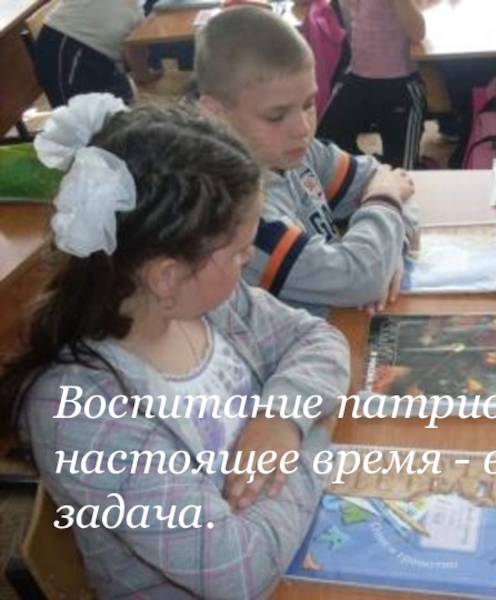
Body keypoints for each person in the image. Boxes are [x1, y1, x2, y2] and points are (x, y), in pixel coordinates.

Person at [0, 94, 349, 597]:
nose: (247, 263)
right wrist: (315, 433)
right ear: (166, 275)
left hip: (291, 545)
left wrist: (282, 416)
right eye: (240, 253)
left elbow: (319, 337)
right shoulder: (82, 416)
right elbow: (237, 572)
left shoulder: (205, 303)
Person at [196, 6, 417, 316]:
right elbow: (361, 275)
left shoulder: (300, 153)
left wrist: (390, 255)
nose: (302, 128)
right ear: (215, 113)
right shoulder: (240, 218)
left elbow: (390, 179)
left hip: (342, 323)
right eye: (276, 116)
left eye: (309, 104)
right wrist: (383, 212)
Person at [316, 0, 427, 170]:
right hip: (357, 76)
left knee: (402, 170)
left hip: (399, 84)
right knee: (324, 146)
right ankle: (368, 170)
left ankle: (384, 169)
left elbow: (418, 33)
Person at [34, 0, 160, 107]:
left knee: (124, 111)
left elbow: (136, 42)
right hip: (67, 47)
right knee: (80, 118)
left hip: (105, 60)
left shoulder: (137, 7)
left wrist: (144, 75)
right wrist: (143, 74)